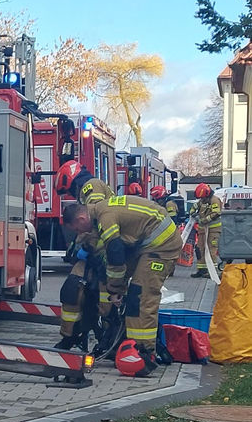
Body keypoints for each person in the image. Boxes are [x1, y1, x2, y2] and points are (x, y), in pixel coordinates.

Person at [62, 195, 181, 377]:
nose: (80, 233)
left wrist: (115, 287)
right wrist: (116, 289)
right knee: (127, 288)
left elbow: (116, 254)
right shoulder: (98, 213)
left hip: (162, 245)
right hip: (145, 244)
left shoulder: (105, 218)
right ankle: (131, 343)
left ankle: (143, 352)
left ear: (81, 218)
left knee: (140, 295)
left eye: (78, 229)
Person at [53, 160, 114, 349]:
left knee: (106, 297)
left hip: (106, 252)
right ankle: (70, 336)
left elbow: (95, 222)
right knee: (72, 289)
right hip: (98, 252)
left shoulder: (91, 188)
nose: (70, 194)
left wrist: (86, 248)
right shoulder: (86, 191)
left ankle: (109, 339)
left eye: (68, 190)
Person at [191, 182, 222, 278]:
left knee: (211, 250)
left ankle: (212, 272)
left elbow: (216, 213)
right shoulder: (202, 200)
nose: (202, 200)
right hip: (202, 230)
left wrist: (204, 220)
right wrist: (193, 213)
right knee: (200, 249)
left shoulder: (214, 200)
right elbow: (194, 207)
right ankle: (201, 270)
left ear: (207, 195)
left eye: (203, 198)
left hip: (213, 230)